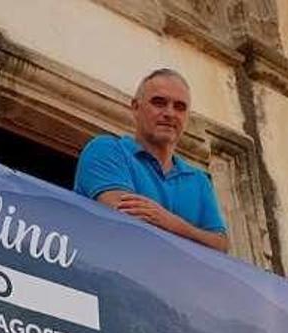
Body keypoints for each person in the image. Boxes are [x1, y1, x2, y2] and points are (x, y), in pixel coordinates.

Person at [74, 68, 229, 252]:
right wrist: (195, 235)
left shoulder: (199, 180)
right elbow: (128, 221)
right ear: (136, 108)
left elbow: (221, 246)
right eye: (159, 102)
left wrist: (169, 221)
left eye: (179, 107)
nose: (170, 113)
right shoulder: (107, 150)